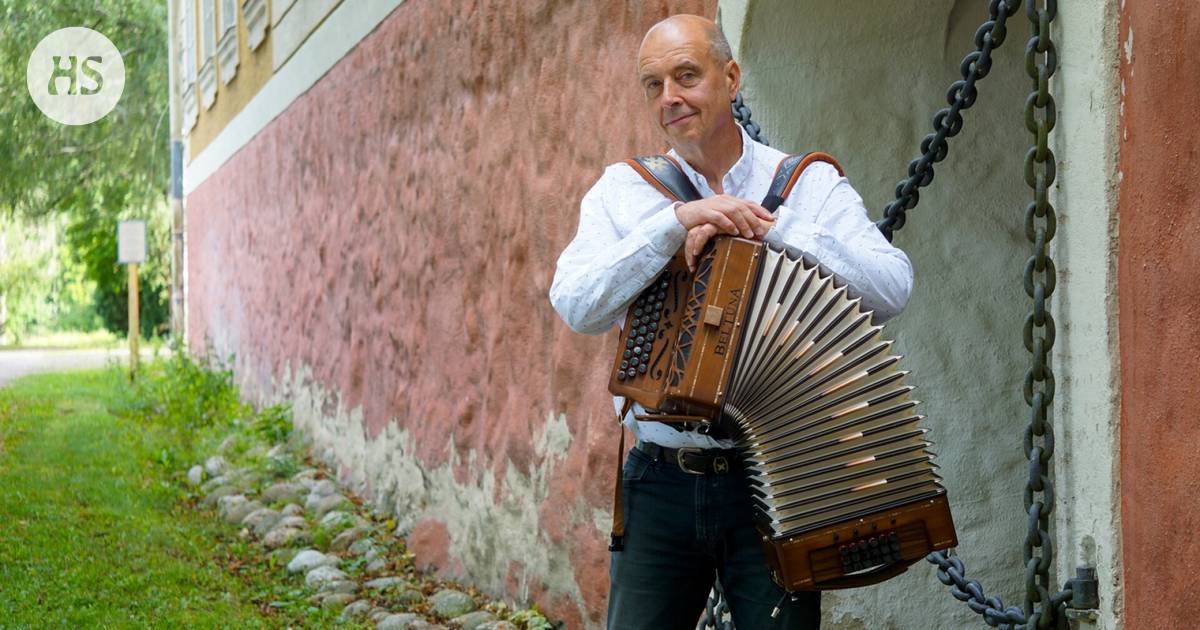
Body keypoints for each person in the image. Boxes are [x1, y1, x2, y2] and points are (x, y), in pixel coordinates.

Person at [548, 14, 914, 630]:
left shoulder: (806, 185)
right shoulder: (623, 191)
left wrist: (770, 226)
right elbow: (577, 305)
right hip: (660, 477)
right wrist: (674, 225)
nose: (670, 97)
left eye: (686, 75)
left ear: (731, 76)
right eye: (654, 83)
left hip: (776, 476)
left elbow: (891, 287)